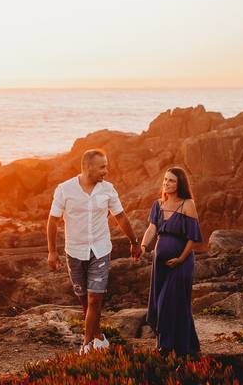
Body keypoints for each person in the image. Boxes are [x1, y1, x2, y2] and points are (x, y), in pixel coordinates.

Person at [47, 148, 142, 354]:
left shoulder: (108, 189)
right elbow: (53, 221)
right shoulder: (65, 189)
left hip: (100, 249)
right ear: (88, 167)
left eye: (106, 166)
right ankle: (98, 335)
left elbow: (121, 217)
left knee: (94, 299)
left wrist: (134, 242)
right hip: (74, 251)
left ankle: (86, 344)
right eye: (102, 167)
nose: (106, 171)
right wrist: (52, 251)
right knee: (85, 300)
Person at [139, 166, 203, 357]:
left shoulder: (187, 204)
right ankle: (184, 345)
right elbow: (151, 229)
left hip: (181, 263)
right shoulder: (158, 204)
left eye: (171, 181)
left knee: (170, 302)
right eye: (165, 180)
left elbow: (193, 237)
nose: (166, 183)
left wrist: (181, 258)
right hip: (160, 264)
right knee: (161, 303)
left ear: (180, 183)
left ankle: (167, 347)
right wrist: (143, 247)